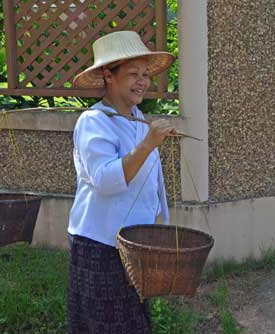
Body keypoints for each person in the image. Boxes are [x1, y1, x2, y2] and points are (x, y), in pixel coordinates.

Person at [67, 30, 176, 334]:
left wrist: (158, 225)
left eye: (145, 74)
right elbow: (105, 179)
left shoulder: (138, 120)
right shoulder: (94, 122)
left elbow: (151, 183)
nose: (142, 81)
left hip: (135, 245)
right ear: (108, 76)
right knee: (106, 324)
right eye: (132, 74)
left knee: (134, 321)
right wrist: (148, 145)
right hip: (100, 246)